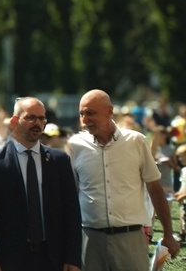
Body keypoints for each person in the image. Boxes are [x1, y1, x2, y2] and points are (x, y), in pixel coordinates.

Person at [69, 89, 179, 271]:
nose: (85, 119)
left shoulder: (136, 141)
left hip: (131, 239)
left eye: (90, 113)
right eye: (81, 114)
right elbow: (69, 195)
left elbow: (155, 188)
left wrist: (168, 233)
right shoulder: (75, 146)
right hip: (90, 239)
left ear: (109, 112)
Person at [0, 97, 81, 271]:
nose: (38, 123)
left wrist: (73, 258)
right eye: (31, 117)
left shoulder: (59, 161)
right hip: (10, 260)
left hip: (53, 259)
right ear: (14, 121)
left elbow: (71, 212)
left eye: (42, 119)